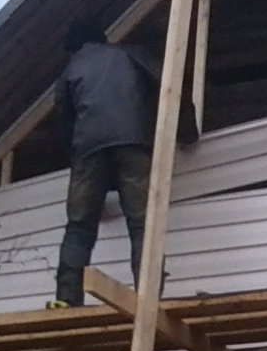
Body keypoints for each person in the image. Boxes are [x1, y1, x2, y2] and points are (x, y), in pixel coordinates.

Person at [49, 17, 178, 307]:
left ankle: (66, 299)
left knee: (79, 226)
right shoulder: (131, 56)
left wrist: (87, 176)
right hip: (133, 143)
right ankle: (147, 296)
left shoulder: (71, 70)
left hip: (88, 151)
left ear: (74, 47)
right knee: (142, 223)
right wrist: (187, 132)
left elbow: (65, 126)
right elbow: (170, 88)